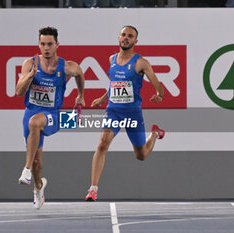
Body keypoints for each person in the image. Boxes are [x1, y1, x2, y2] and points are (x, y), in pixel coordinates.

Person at [85, 25, 165, 201]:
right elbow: (115, 84)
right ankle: (93, 189)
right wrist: (103, 98)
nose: (126, 38)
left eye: (130, 36)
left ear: (135, 41)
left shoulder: (141, 62)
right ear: (118, 38)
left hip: (133, 113)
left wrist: (160, 94)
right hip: (113, 111)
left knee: (141, 155)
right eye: (123, 35)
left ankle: (154, 134)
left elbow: (157, 84)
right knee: (102, 145)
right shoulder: (111, 59)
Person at [16, 26, 85, 209]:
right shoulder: (29, 64)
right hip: (31, 111)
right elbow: (18, 92)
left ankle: (26, 169)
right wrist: (30, 77)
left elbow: (79, 74)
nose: (46, 48)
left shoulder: (67, 66)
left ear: (57, 45)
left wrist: (80, 95)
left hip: (53, 114)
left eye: (50, 44)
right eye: (43, 44)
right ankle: (38, 186)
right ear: (38, 44)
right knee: (38, 159)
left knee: (34, 122)